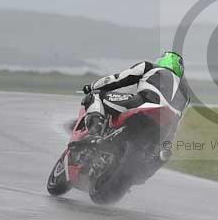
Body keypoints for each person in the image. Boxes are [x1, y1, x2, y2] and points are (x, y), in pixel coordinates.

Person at [69, 51, 189, 181]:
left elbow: (119, 79)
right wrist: (167, 144)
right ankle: (145, 171)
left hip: (144, 104)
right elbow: (177, 121)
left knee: (97, 95)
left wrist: (91, 86)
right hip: (166, 125)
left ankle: (94, 133)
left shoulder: (150, 67)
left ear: (162, 60)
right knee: (162, 153)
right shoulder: (185, 94)